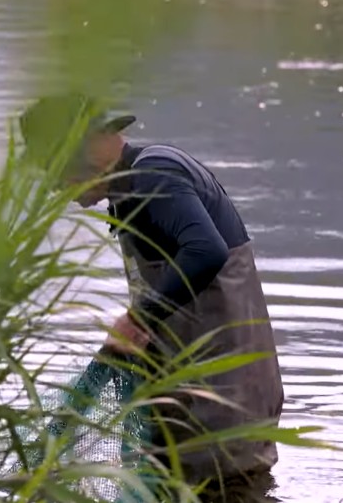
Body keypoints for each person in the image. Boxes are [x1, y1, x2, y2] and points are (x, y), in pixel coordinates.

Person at [19, 94, 285, 500]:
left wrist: (139, 318)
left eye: (55, 167)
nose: (55, 185)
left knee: (225, 490)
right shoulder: (131, 190)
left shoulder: (156, 175)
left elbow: (206, 252)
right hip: (194, 399)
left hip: (222, 406)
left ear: (88, 146)